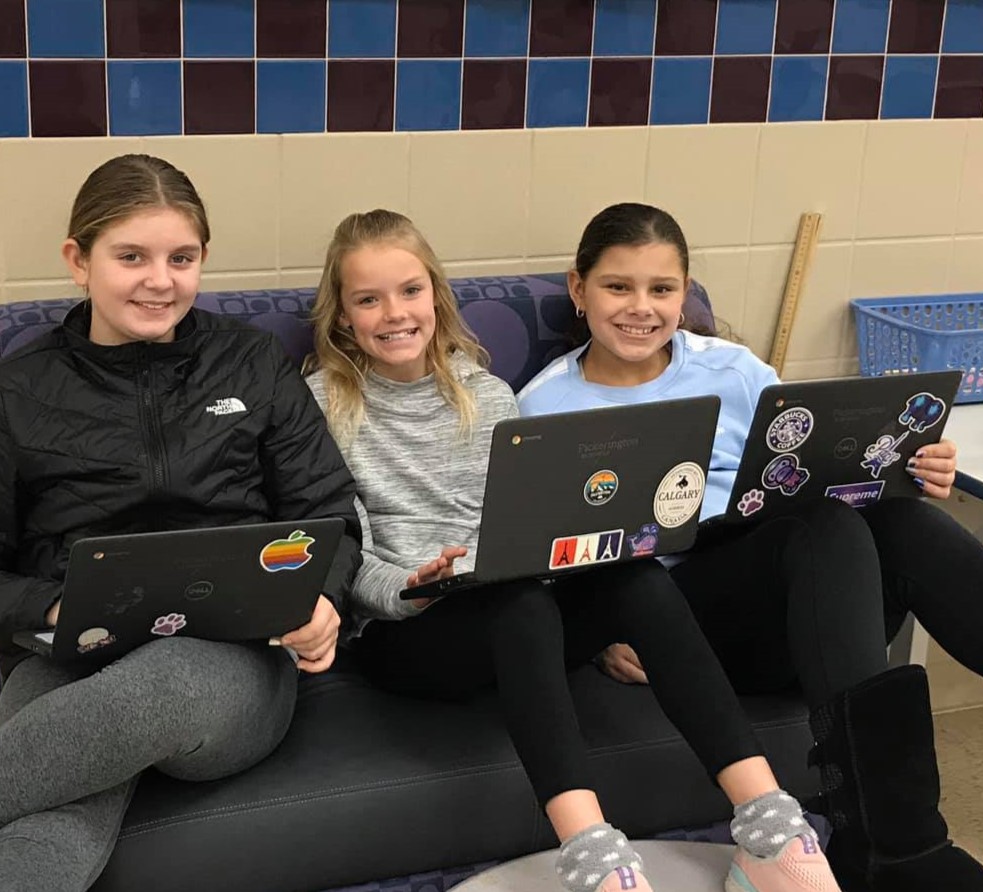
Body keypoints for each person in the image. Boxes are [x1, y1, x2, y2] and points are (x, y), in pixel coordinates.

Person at [518, 201, 983, 892]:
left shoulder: (734, 370)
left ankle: (897, 847)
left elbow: (817, 466)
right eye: (617, 287)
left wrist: (912, 469)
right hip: (679, 624)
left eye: (661, 289)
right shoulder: (543, 408)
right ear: (578, 289)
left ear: (684, 293)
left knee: (900, 522)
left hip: (799, 593)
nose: (640, 308)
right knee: (824, 527)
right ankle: (898, 850)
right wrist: (599, 635)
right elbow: (535, 559)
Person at [0, 154, 361, 892]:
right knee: (49, 808)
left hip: (230, 665)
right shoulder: (17, 391)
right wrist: (54, 607)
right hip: (67, 654)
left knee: (155, 686)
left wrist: (323, 599)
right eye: (131, 257)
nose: (160, 280)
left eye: (181, 258)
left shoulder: (250, 363)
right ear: (77, 261)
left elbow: (328, 517)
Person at [304, 209, 841, 892]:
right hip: (403, 626)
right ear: (343, 316)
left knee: (632, 573)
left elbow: (522, 528)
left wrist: (543, 569)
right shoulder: (322, 404)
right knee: (519, 604)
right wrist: (416, 582)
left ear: (435, 298)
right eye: (367, 299)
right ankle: (594, 858)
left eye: (409, 291)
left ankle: (769, 825)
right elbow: (343, 553)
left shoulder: (486, 395)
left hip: (502, 592)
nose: (393, 313)